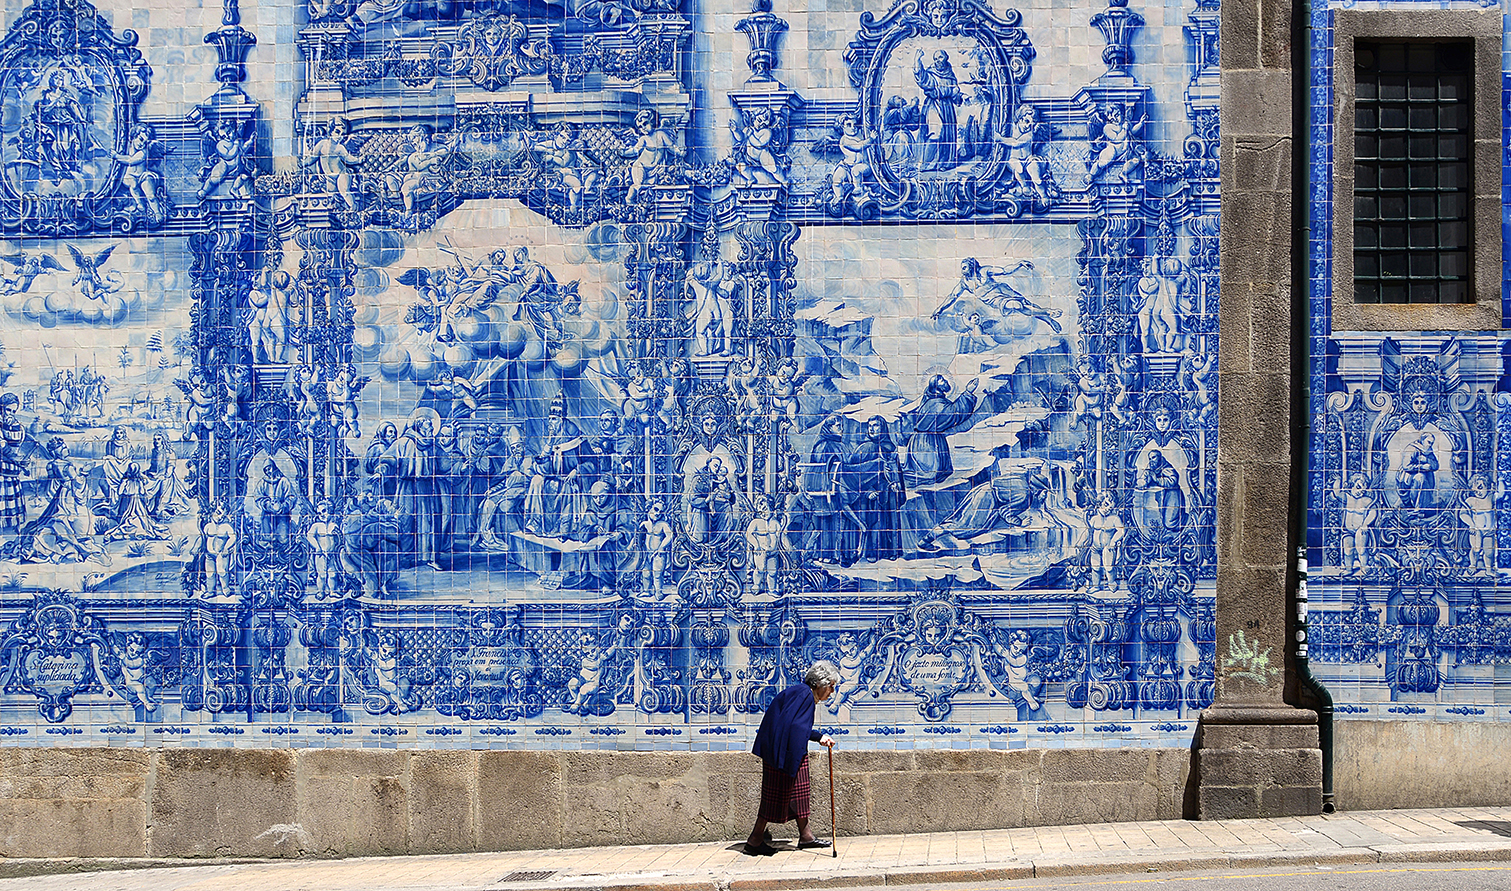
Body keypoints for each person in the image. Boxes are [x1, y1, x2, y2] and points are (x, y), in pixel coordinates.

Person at [744, 661, 839, 856]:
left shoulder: (801, 693)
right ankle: (755, 839)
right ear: (821, 683)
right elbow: (796, 728)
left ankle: (806, 836)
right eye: (831, 686)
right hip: (784, 755)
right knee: (775, 796)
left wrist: (818, 737)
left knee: (799, 795)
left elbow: (794, 725)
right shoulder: (804, 696)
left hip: (784, 752)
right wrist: (792, 762)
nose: (832, 692)